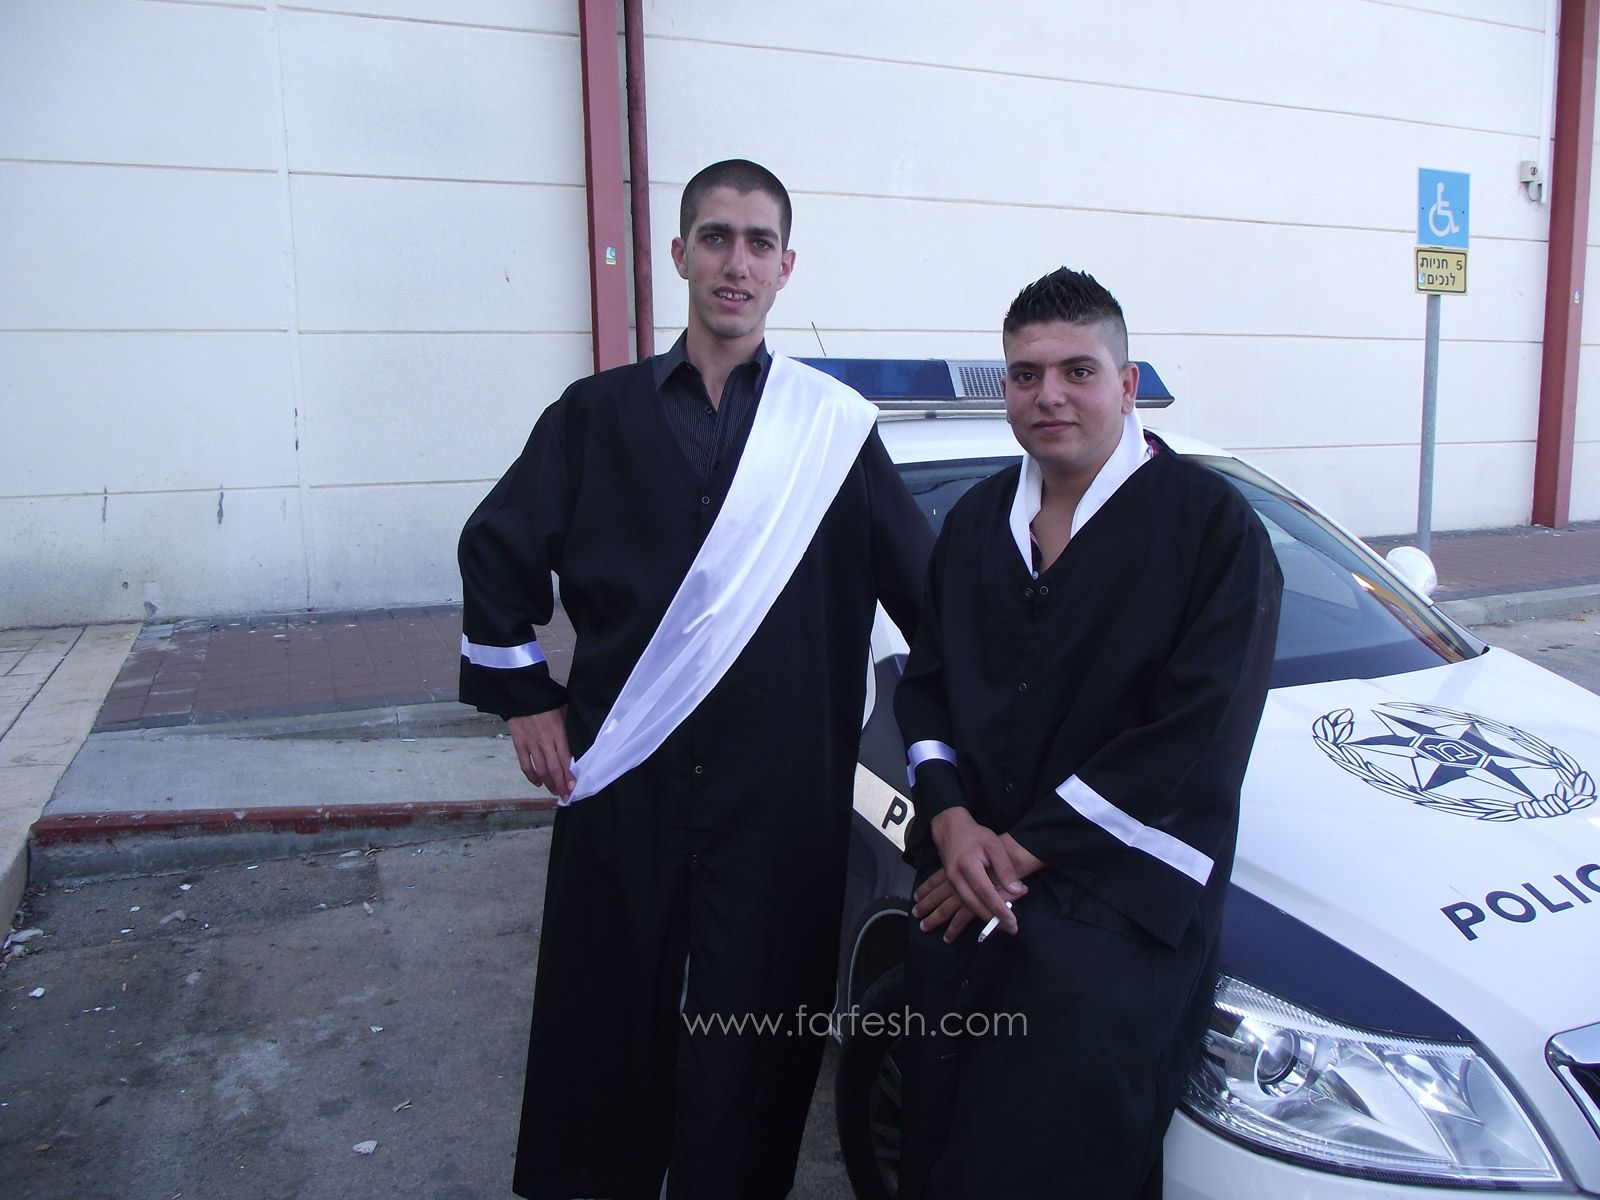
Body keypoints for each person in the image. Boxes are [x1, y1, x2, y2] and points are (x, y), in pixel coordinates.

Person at [457, 159, 930, 1200]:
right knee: (603, 1009)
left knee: (756, 1034)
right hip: (625, 775)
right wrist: (527, 697)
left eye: (759, 243)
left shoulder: (832, 434)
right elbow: (494, 552)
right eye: (716, 237)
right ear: (679, 255)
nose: (736, 263)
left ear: (786, 267)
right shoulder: (593, 416)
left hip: (779, 798)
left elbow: (934, 598)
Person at [894, 268, 1283, 1200]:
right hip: (968, 896)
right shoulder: (978, 524)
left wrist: (1014, 852)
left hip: (1113, 924)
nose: (1050, 395)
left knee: (1061, 1158)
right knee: (940, 1142)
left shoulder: (1211, 531)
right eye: (1025, 375)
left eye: (1078, 370)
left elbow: (1195, 739)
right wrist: (949, 822)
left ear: (1127, 383)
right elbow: (928, 690)